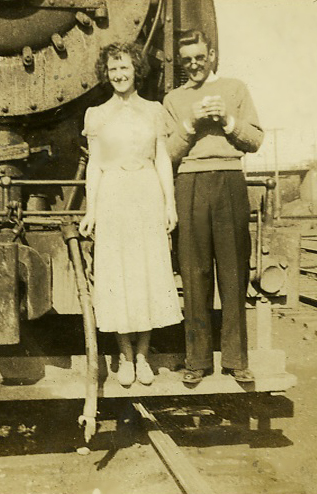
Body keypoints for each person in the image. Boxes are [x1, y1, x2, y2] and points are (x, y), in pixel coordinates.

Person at [79, 42, 182, 386]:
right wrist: (91, 209)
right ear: (106, 75)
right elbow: (94, 165)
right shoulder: (96, 114)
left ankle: (143, 356)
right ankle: (124, 355)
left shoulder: (154, 110)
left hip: (146, 193)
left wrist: (170, 203)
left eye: (124, 68)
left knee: (146, 273)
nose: (119, 74)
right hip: (112, 195)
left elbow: (163, 159)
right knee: (117, 275)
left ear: (136, 70)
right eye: (113, 69)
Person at [163, 30, 264, 384]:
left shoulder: (235, 89)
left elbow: (255, 140)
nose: (194, 65)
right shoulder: (173, 100)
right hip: (189, 184)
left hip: (229, 181)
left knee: (234, 272)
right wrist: (190, 124)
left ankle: (236, 359)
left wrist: (228, 121)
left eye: (199, 58)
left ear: (212, 55)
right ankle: (197, 360)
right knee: (194, 274)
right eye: (187, 60)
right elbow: (168, 154)